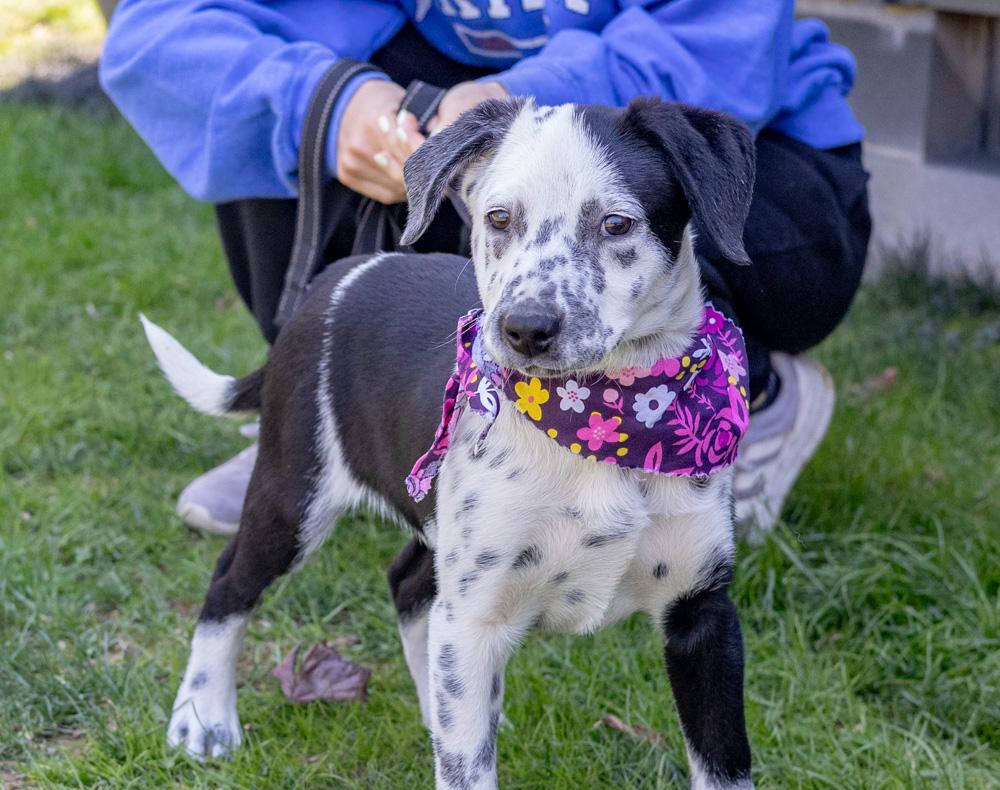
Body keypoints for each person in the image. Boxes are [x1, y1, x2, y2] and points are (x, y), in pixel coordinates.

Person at [100, 0, 871, 541]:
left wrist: (522, 105)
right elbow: (164, 28)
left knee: (622, 221)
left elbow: (722, 35)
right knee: (296, 118)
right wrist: (332, 108)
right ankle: (332, 425)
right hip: (451, 111)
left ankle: (749, 393)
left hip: (759, 151)